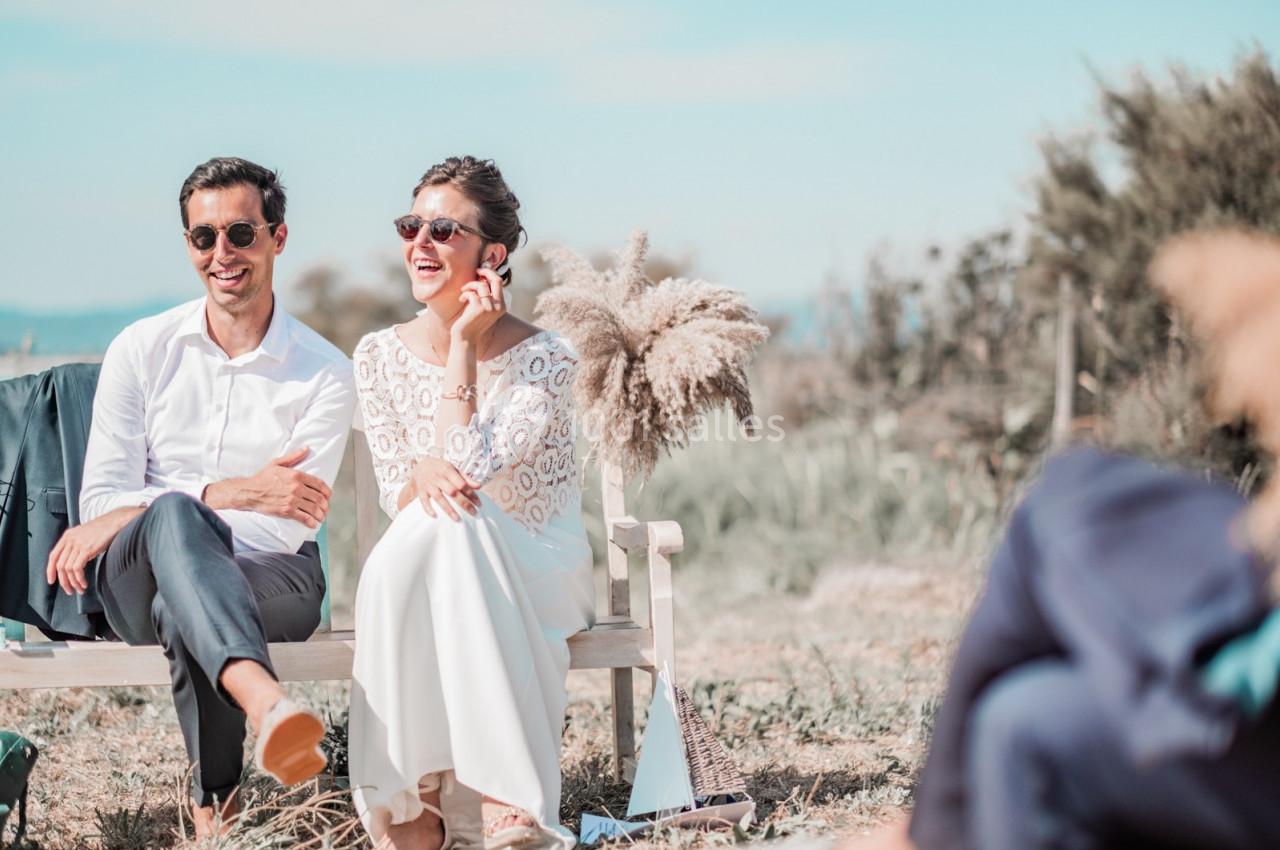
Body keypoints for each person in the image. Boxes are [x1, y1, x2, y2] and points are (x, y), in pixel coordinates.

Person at [46, 157, 355, 837]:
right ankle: (267, 705)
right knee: (177, 521)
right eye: (202, 237)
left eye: (240, 234)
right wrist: (236, 491)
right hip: (135, 578)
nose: (222, 254)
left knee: (183, 587)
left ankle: (216, 812)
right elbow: (102, 501)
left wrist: (148, 507)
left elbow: (282, 528)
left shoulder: (326, 374)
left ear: (278, 237)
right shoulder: (142, 349)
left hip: (277, 577)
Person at [349, 155, 593, 850]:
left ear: (493, 255)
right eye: (411, 225)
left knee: (453, 517)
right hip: (436, 559)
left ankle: (412, 801)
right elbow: (410, 494)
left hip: (537, 565)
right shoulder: (376, 355)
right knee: (443, 525)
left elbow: (463, 473)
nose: (420, 243)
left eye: (444, 230)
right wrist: (430, 469)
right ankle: (504, 804)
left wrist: (462, 347)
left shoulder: (547, 359)